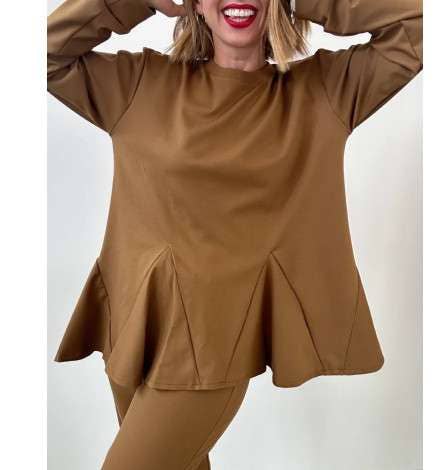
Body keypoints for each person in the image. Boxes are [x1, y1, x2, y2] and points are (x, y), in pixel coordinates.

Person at [48, 0, 423, 468]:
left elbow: (419, 28)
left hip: (214, 347)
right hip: (133, 331)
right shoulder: (139, 84)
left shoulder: (325, 92)